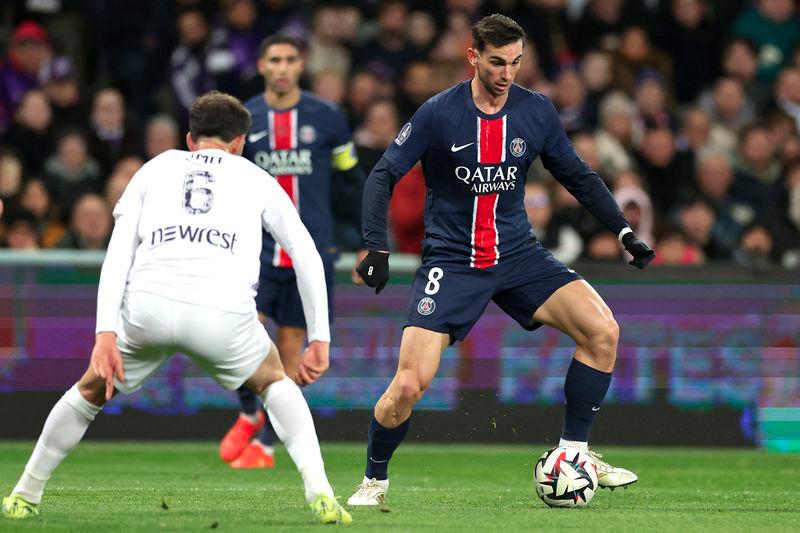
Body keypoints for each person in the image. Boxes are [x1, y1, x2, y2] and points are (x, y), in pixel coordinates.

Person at [1, 91, 351, 525]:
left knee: (90, 390)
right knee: (275, 381)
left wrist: (105, 333)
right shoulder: (257, 177)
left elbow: (117, 255)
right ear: (240, 141)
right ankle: (320, 493)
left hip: (147, 308)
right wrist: (319, 337)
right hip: (222, 314)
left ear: (189, 138)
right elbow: (307, 254)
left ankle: (24, 494)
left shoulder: (154, 168)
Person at [348, 14, 655, 506]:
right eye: (496, 62)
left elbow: (576, 175)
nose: (507, 73)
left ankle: (574, 454)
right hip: (453, 262)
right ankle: (373, 481)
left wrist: (622, 229)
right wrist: (375, 246)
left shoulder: (535, 112)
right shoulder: (437, 113)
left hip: (518, 254)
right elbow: (383, 175)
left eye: (515, 62)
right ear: (473, 56)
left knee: (603, 331)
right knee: (407, 385)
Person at [219, 34, 365, 469]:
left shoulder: (327, 117)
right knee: (236, 337)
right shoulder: (245, 117)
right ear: (262, 65)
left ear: (301, 65)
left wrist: (365, 241)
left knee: (289, 350)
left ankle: (264, 443)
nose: (282, 67)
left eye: (289, 60)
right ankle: (248, 410)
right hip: (256, 250)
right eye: (274, 60)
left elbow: (349, 180)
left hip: (311, 251)